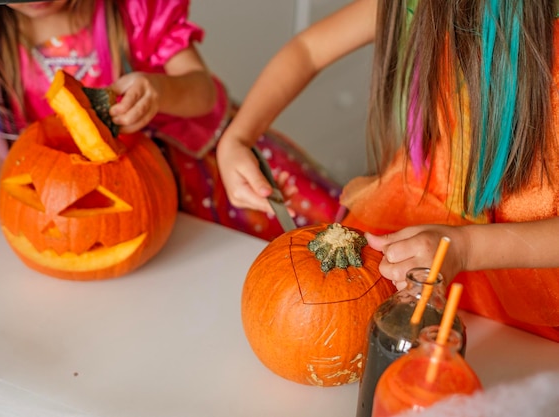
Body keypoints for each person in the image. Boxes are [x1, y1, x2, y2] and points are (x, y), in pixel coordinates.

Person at [217, 0, 559, 342]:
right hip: (419, 215)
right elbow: (307, 50)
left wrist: (465, 249)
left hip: (525, 261)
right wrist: (237, 136)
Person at [0, 0, 343, 242]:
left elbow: (203, 91)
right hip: (112, 211)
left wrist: (159, 91)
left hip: (212, 176)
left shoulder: (135, 11)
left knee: (323, 255)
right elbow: (5, 164)